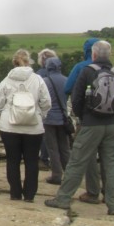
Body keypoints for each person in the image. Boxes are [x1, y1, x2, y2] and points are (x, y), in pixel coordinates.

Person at [45, 41, 114, 216]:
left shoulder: (87, 72)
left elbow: (76, 99)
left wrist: (84, 117)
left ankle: (63, 199)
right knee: (112, 166)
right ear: (109, 55)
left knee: (77, 161)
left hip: (91, 123)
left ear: (93, 55)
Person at [0, 49, 51, 202]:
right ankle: (30, 194)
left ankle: (15, 192)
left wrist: (1, 118)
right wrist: (40, 115)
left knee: (12, 160)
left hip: (10, 126)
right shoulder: (38, 79)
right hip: (33, 126)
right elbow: (46, 102)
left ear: (14, 63)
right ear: (28, 62)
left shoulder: (6, 80)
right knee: (32, 160)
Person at [63, 37, 103, 204]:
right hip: (111, 119)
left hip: (87, 119)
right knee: (109, 158)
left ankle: (92, 192)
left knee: (86, 156)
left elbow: (68, 88)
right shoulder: (112, 69)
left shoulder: (81, 67)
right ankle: (111, 193)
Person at [41, 56, 71, 185]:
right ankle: (70, 174)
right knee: (65, 147)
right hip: (63, 118)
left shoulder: (44, 81)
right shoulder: (67, 80)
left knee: (52, 148)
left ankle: (56, 174)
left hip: (49, 119)